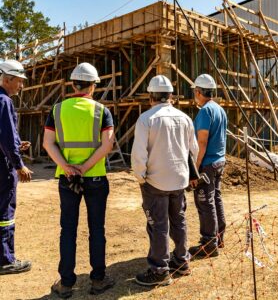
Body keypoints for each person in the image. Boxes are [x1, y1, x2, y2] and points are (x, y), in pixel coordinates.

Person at [43, 62, 115, 298]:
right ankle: (97, 280)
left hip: (67, 179)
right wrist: (84, 167)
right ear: (93, 86)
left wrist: (66, 167)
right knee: (97, 229)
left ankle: (66, 284)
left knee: (68, 230)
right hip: (94, 177)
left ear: (73, 85)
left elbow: (48, 143)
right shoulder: (102, 111)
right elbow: (108, 145)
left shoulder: (57, 110)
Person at [131, 75, 198, 286]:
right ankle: (181, 262)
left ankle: (160, 270)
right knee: (178, 220)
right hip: (179, 179)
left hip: (155, 181)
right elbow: (193, 150)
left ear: (151, 96)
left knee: (158, 225)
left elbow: (139, 153)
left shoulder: (146, 119)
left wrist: (140, 176)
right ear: (170, 96)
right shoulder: (185, 118)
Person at [0, 60, 33, 275]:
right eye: (19, 81)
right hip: (2, 169)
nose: (21, 86)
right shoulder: (4, 101)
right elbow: (6, 136)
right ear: (7, 79)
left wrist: (15, 145)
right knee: (5, 213)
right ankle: (5, 260)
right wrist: (19, 164)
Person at [189, 74, 227, 258]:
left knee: (205, 202)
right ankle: (218, 237)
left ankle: (208, 243)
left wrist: (194, 169)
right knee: (216, 198)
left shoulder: (205, 112)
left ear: (198, 91)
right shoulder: (220, 109)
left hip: (208, 164)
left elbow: (201, 143)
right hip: (219, 161)